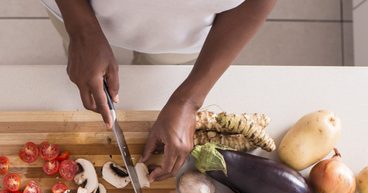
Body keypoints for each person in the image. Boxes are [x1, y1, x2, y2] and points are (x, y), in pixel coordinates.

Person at [45, 0, 277, 181]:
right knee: (82, 68)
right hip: (79, 10)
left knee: (153, 69)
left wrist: (188, 100)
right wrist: (81, 30)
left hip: (180, 37)